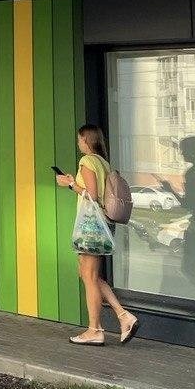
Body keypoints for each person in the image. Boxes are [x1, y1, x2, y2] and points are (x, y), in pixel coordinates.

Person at [56, 125, 139, 346]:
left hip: (91, 225)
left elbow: (91, 195)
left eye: (79, 139)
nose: (78, 143)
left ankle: (95, 330)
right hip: (103, 223)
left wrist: (70, 184)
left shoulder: (87, 161)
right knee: (86, 273)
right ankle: (123, 315)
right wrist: (75, 182)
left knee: (89, 276)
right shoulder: (103, 162)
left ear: (86, 139)